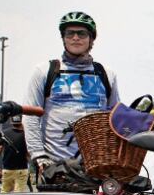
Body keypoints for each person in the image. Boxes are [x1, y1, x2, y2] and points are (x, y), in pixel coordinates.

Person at [23, 12, 119, 173]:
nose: (76, 38)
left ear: (91, 39)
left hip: (95, 163)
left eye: (81, 33)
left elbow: (114, 117)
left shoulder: (106, 74)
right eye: (70, 33)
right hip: (53, 163)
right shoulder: (45, 71)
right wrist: (38, 155)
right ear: (63, 38)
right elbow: (30, 117)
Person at [0, 115, 30, 193]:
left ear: (11, 121)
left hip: (7, 169)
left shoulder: (4, 133)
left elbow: (0, 150)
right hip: (22, 169)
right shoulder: (26, 135)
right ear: (22, 122)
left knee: (4, 194)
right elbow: (28, 154)